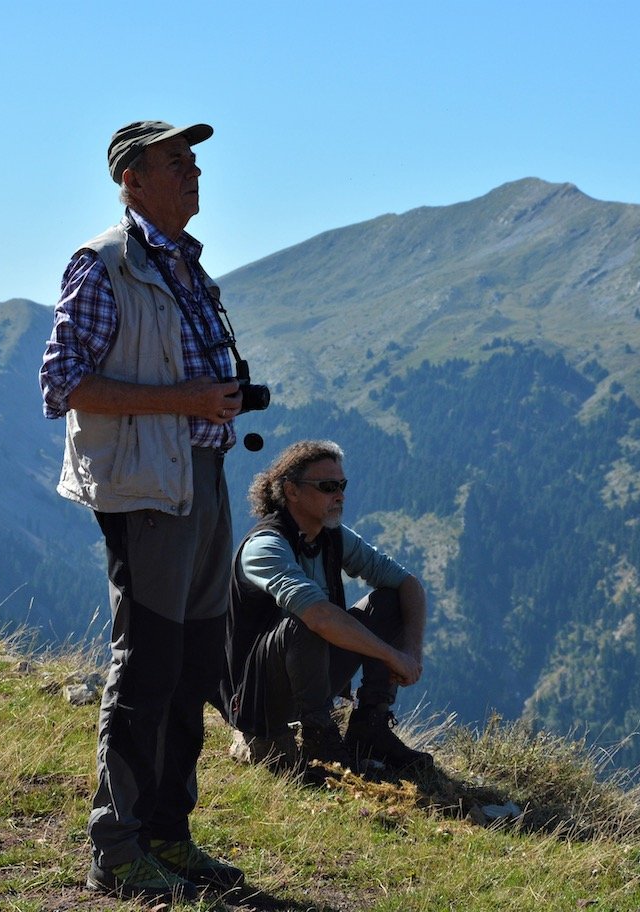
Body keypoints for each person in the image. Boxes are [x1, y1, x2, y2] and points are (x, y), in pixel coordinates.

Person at [40, 119, 247, 904]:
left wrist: (210, 406)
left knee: (195, 662)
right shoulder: (103, 266)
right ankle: (117, 850)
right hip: (147, 487)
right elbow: (63, 383)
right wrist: (186, 400)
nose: (194, 173)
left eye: (194, 161)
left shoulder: (187, 267)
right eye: (176, 163)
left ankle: (169, 832)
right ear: (131, 179)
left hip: (202, 475)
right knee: (149, 664)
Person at [223, 440, 433, 774]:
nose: (340, 495)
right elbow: (319, 617)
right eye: (327, 486)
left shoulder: (330, 536)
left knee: (391, 600)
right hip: (259, 693)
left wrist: (412, 649)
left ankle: (369, 728)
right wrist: (391, 655)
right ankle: (319, 739)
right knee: (305, 620)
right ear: (291, 491)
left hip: (312, 673)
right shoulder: (265, 546)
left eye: (342, 485)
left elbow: (409, 584)